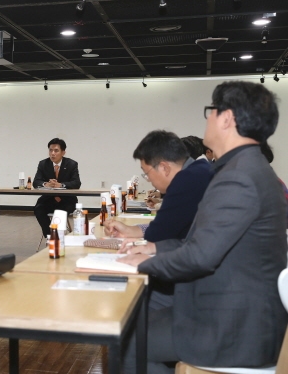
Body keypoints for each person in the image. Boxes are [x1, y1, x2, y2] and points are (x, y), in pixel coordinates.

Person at [119, 81, 287, 373]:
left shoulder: (239, 177)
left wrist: (140, 264)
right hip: (233, 310)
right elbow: (199, 244)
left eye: (211, 111)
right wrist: (154, 248)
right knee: (135, 322)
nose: (207, 119)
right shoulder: (246, 168)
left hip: (234, 328)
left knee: (128, 339)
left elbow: (199, 257)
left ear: (227, 118)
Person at [104, 130, 213, 309]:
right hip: (200, 271)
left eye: (146, 173)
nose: (149, 180)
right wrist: (132, 230)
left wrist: (141, 238)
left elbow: (157, 236)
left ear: (164, 167)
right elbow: (168, 228)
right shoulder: (200, 170)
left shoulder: (187, 180)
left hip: (196, 287)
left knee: (124, 297)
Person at [32, 138, 81, 237]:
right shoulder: (43, 164)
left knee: (60, 214)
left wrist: (61, 185)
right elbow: (36, 182)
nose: (52, 153)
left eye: (56, 151)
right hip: (49, 199)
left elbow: (76, 183)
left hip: (66, 200)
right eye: (50, 150)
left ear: (63, 152)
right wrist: (46, 184)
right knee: (38, 209)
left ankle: (58, 237)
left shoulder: (71, 164)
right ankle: (50, 236)